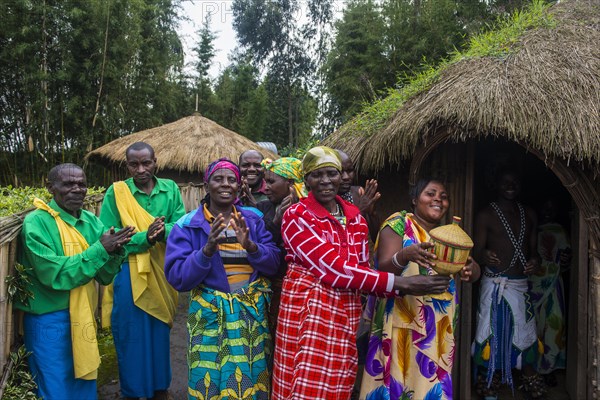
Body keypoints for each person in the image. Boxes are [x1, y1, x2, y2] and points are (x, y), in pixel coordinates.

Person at [271, 146, 452, 400]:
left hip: (345, 312)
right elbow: (333, 269)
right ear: (306, 180)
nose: (325, 181)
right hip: (308, 312)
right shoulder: (297, 216)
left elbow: (362, 268)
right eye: (317, 174)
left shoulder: (355, 218)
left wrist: (399, 283)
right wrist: (404, 283)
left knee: (338, 381)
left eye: (332, 174)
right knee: (303, 383)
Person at [15, 163, 134, 400]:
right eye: (68, 184)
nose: (77, 189)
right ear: (51, 188)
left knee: (84, 382)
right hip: (49, 319)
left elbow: (103, 275)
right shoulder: (36, 224)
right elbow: (54, 275)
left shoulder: (91, 221)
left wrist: (116, 250)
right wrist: (101, 249)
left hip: (84, 314)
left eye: (82, 184)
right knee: (55, 385)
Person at [164, 158, 280, 400]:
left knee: (251, 378)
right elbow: (177, 277)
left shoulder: (254, 220)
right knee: (208, 378)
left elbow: (274, 264)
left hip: (250, 319)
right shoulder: (187, 226)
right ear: (207, 185)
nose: (225, 184)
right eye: (218, 179)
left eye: (231, 180)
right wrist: (205, 252)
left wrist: (251, 246)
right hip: (209, 318)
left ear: (239, 186)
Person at [359, 178, 481, 400]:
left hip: (438, 324)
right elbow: (383, 269)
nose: (438, 199)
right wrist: (405, 255)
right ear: (415, 200)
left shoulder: (447, 237)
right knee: (398, 380)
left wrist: (472, 269)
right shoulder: (398, 224)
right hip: (400, 318)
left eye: (443, 196)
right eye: (431, 194)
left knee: (430, 384)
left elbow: (472, 271)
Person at [99, 142, 185, 400]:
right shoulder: (116, 193)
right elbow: (109, 236)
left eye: (146, 163)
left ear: (155, 161)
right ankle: (134, 392)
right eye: (133, 164)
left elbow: (180, 226)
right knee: (130, 334)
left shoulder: (170, 189)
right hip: (127, 271)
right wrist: (144, 239)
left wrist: (161, 232)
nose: (140, 169)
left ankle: (161, 388)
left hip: (162, 268)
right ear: (126, 165)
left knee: (159, 332)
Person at [472, 169, 545, 399]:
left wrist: (535, 261)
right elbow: (475, 251)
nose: (510, 185)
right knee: (492, 333)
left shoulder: (529, 214)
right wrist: (484, 255)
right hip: (495, 285)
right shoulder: (486, 215)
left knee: (524, 333)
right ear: (496, 184)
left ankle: (529, 377)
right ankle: (489, 380)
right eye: (505, 182)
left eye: (515, 181)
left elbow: (535, 253)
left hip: (520, 285)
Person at [255, 157, 307, 334]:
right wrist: (276, 221)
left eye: (271, 181)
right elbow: (259, 244)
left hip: (299, 291)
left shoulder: (308, 212)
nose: (265, 187)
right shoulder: (262, 208)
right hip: (268, 287)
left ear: (291, 183)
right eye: (264, 182)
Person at [529, 197, 570, 384]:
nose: (547, 211)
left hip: (553, 284)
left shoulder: (559, 231)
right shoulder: (530, 228)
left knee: (554, 325)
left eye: (551, 208)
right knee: (533, 326)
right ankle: (531, 369)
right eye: (544, 206)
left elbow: (567, 259)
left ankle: (548, 368)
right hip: (532, 285)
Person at [337, 149, 381, 241]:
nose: (346, 177)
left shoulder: (358, 193)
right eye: (340, 172)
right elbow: (340, 238)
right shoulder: (327, 201)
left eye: (349, 171)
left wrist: (372, 213)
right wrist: (360, 210)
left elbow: (376, 237)